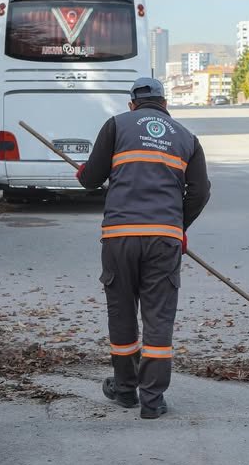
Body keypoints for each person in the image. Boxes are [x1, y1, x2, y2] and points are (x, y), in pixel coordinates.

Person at [76, 77, 211, 419]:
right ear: (165, 104)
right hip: (163, 238)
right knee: (158, 317)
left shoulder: (116, 125)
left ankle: (125, 390)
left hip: (119, 237)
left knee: (122, 313)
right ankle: (152, 400)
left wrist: (83, 174)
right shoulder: (187, 137)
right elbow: (200, 192)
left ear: (132, 104)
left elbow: (91, 179)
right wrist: (178, 227)